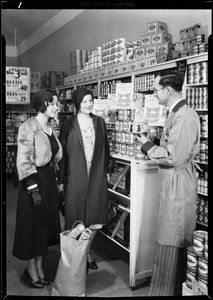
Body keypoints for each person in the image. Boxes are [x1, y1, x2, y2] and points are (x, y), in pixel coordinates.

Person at [136, 70, 200, 296]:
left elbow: (174, 156)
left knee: (172, 236)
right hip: (172, 184)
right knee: (167, 234)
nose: (155, 94)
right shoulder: (176, 113)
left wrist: (146, 145)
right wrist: (153, 140)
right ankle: (164, 289)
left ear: (168, 90)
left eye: (156, 90)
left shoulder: (184, 116)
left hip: (178, 185)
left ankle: (167, 291)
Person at [12, 89, 63, 288]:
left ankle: (40, 267)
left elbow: (54, 157)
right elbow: (23, 161)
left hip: (48, 181)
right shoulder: (28, 126)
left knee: (43, 227)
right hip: (33, 181)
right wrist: (33, 189)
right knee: (32, 227)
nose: (56, 107)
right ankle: (30, 269)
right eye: (53, 104)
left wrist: (58, 182)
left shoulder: (50, 127)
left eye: (57, 104)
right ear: (43, 104)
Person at [58, 87, 110, 271]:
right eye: (84, 101)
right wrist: (61, 179)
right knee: (75, 218)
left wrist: (105, 171)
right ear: (77, 103)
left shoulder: (99, 122)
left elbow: (106, 149)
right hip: (75, 176)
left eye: (91, 100)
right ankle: (76, 257)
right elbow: (62, 154)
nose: (88, 104)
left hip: (96, 175)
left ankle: (86, 251)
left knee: (96, 218)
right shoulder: (68, 124)